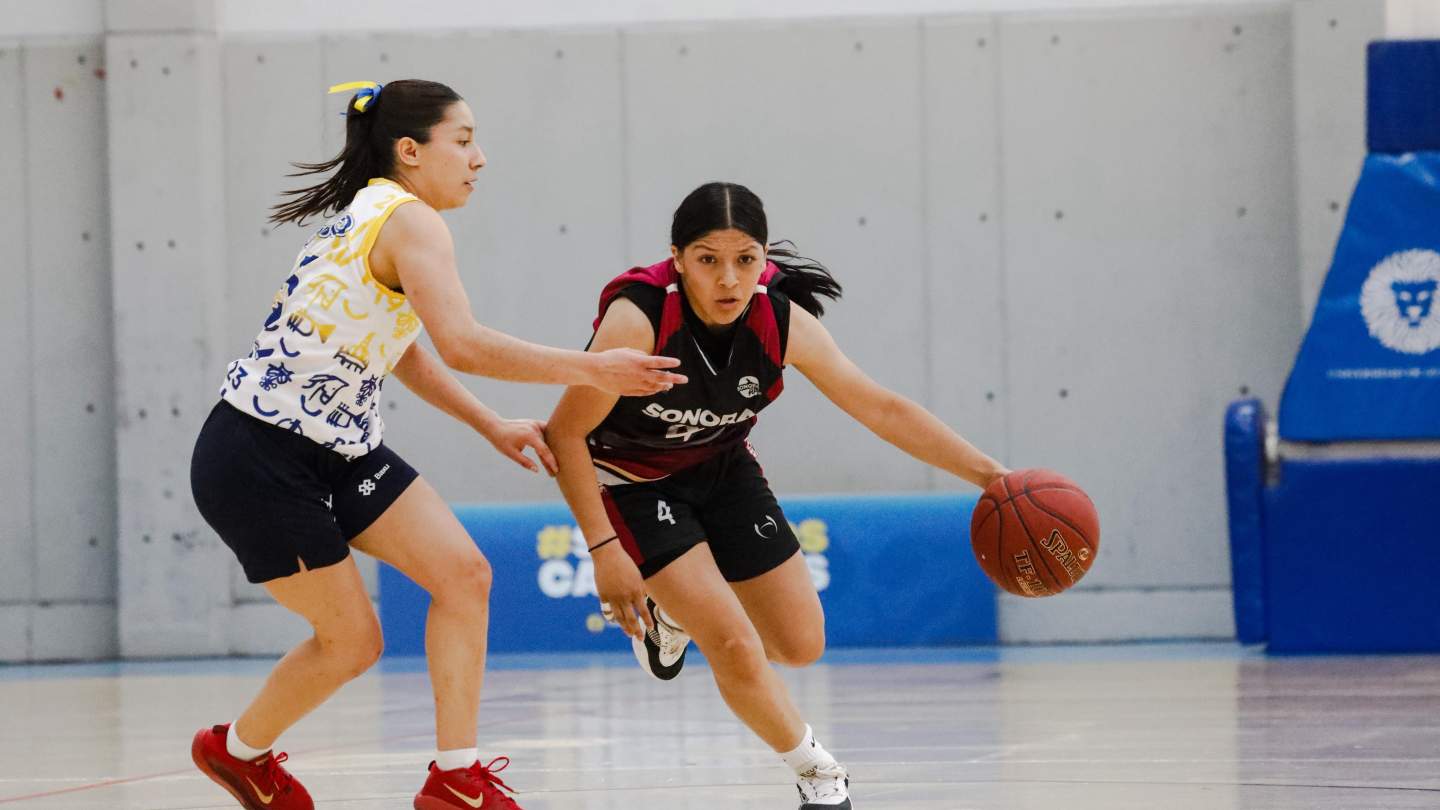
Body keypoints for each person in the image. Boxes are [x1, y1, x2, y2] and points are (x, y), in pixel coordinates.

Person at [187, 79, 685, 810]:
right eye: (464, 140)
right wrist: (595, 367)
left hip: (341, 450)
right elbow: (463, 344)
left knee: (463, 575)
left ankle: (456, 778)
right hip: (259, 457)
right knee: (352, 644)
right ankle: (235, 753)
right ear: (411, 151)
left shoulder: (368, 214)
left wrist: (489, 423)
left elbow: (404, 348)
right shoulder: (409, 220)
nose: (479, 158)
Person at [545, 182, 1009, 809]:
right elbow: (565, 433)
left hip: (722, 465)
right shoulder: (640, 319)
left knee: (799, 644)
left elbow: (881, 407)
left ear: (764, 260)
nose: (729, 279)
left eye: (746, 259)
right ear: (678, 259)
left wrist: (990, 476)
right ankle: (818, 774)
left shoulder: (780, 321)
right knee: (733, 643)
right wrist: (603, 548)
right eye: (708, 259)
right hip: (632, 479)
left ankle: (671, 617)